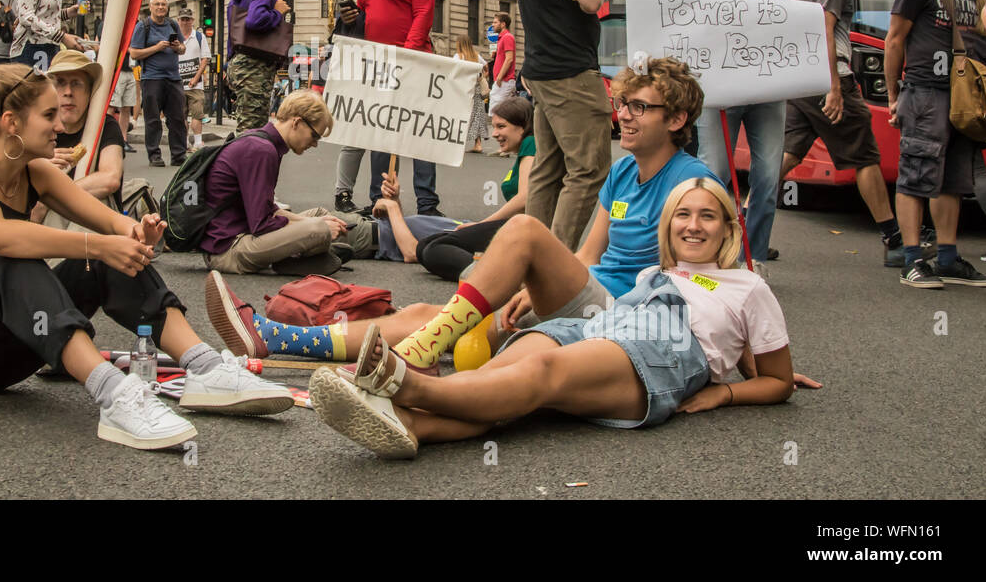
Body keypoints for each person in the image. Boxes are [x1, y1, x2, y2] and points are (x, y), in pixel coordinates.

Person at [0, 62, 293, 451]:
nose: (61, 127)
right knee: (18, 264)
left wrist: (138, 233)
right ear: (11, 122)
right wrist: (97, 244)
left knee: (103, 259)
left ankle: (205, 369)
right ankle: (114, 396)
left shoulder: (36, 171)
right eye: (49, 115)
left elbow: (112, 225)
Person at [206, 59, 720, 364]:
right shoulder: (621, 172)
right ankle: (282, 338)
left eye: (639, 108)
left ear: (676, 119)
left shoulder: (695, 185)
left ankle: (415, 356)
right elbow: (587, 254)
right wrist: (536, 289)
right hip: (588, 292)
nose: (623, 115)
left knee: (520, 233)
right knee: (427, 314)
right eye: (622, 104)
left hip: (626, 313)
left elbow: (709, 285)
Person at [308, 176, 798, 459]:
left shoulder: (748, 285)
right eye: (682, 215)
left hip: (664, 348)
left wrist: (725, 391)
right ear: (669, 227)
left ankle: (409, 385)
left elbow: (775, 379)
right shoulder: (655, 270)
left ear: (729, 227)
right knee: (504, 384)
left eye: (708, 216)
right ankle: (408, 424)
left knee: (540, 374)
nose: (693, 225)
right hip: (603, 326)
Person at [782, 0, 905, 268]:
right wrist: (835, 85)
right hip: (828, 75)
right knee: (864, 155)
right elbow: (826, 26)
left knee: (790, 152)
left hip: (802, 77)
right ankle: (893, 238)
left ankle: (744, 221)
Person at [884, 0, 986, 289]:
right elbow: (894, 40)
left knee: (953, 181)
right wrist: (895, 94)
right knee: (916, 175)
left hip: (963, 99)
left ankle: (947, 258)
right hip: (926, 92)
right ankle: (912, 261)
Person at [516, 0, 614, 249]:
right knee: (589, 170)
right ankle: (555, 271)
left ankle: (530, 264)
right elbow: (592, 0)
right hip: (569, 71)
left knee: (548, 171)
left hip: (546, 68)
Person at [687, 0, 785, 265]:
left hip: (765, 92)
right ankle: (710, 253)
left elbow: (781, 34)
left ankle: (753, 256)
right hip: (716, 95)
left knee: (769, 174)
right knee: (714, 170)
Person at [332, 0, 441, 216]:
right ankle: (378, 200)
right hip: (378, 67)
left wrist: (407, 55)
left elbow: (423, 13)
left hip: (413, 62)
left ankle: (427, 204)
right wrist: (351, 17)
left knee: (419, 135)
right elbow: (367, 22)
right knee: (379, 134)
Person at [200, 90, 352, 277]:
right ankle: (294, 257)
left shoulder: (264, 142)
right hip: (228, 248)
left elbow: (267, 209)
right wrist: (314, 227)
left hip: (242, 231)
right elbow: (262, 223)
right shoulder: (262, 150)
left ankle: (292, 258)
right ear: (297, 122)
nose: (314, 144)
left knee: (320, 215)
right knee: (319, 229)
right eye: (315, 136)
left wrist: (313, 221)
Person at [415, 96, 537, 280]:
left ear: (523, 126)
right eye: (494, 126)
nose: (494, 133)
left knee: (435, 249)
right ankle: (496, 267)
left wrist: (482, 224)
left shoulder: (531, 143)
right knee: (425, 245)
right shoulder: (525, 149)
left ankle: (498, 279)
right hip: (517, 225)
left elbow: (524, 197)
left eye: (501, 126)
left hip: (526, 229)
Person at [29, 50, 125, 221]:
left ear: (89, 92)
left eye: (76, 84)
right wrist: (40, 167)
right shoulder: (39, 127)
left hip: (95, 224)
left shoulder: (105, 126)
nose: (68, 92)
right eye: (60, 83)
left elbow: (110, 178)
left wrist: (52, 196)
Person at [225, 0, 290, 131]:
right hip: (254, 67)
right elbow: (255, 19)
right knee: (251, 130)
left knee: (247, 125)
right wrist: (277, 13)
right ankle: (238, 162)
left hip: (240, 63)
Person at [129, 0, 187, 167]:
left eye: (163, 4)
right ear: (151, 7)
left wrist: (178, 47)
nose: (161, 7)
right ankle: (154, 155)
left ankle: (179, 155)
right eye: (157, 4)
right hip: (152, 78)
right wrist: (157, 47)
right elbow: (133, 53)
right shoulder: (143, 27)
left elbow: (183, 48)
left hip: (174, 78)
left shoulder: (172, 24)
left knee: (177, 118)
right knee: (153, 119)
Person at [177, 7, 211, 150]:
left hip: (195, 84)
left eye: (188, 19)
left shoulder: (199, 36)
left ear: (192, 21)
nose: (185, 22)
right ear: (178, 21)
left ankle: (198, 141)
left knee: (197, 113)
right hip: (178, 83)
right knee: (181, 115)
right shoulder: (174, 37)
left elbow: (205, 59)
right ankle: (184, 142)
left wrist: (196, 78)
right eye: (183, 19)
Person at [456, 35, 490, 154]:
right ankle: (478, 144)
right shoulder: (476, 56)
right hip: (475, 88)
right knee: (477, 115)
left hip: (463, 89)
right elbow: (486, 68)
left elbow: (455, 72)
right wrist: (482, 77)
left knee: (460, 115)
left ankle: (457, 143)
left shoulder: (458, 56)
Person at [488, 13, 517, 112]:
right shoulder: (502, 38)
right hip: (502, 81)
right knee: (501, 114)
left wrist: (499, 78)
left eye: (495, 22)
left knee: (495, 113)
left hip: (504, 81)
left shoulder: (507, 37)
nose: (493, 25)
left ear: (503, 24)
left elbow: (509, 59)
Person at [108, 61, 139, 153]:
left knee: (127, 107)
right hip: (118, 70)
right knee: (112, 107)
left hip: (131, 70)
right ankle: (108, 138)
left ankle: (123, 140)